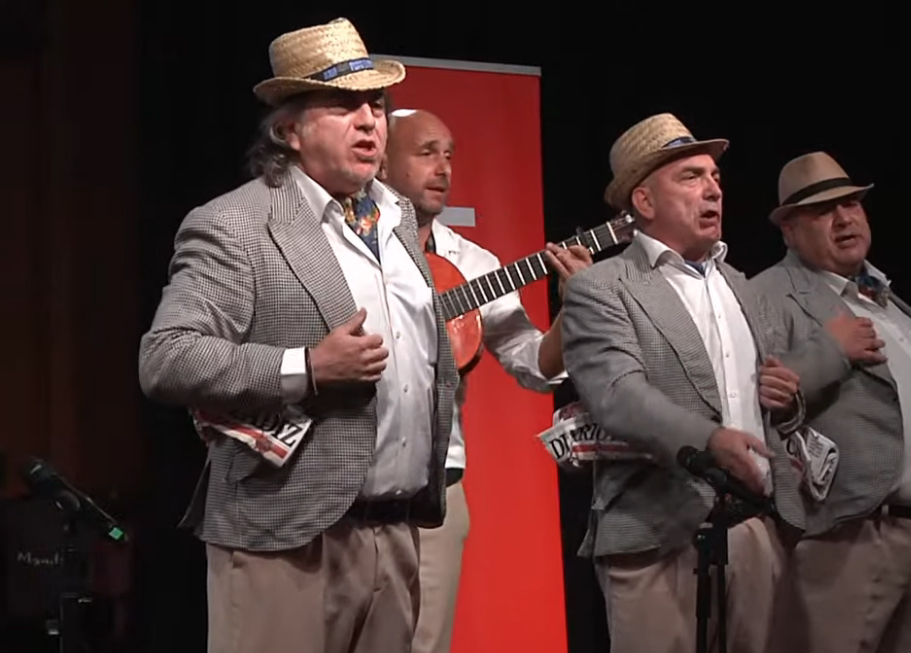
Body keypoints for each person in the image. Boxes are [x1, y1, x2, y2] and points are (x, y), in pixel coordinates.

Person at [137, 18, 459, 653]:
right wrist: (305, 367)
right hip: (285, 538)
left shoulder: (397, 218)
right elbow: (167, 357)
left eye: (376, 106)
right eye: (342, 107)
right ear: (289, 131)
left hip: (396, 533)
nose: (368, 123)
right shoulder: (237, 223)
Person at [560, 113, 809, 653]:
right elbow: (616, 396)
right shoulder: (603, 287)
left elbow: (769, 402)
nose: (713, 188)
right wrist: (709, 440)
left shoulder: (743, 286)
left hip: (754, 531)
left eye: (715, 176)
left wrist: (787, 405)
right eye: (691, 177)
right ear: (644, 201)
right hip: (656, 536)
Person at [378, 107, 592, 653]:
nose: (444, 167)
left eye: (449, 154)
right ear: (382, 161)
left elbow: (535, 366)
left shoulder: (473, 263)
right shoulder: (341, 249)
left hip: (436, 487)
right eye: (426, 152)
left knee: (424, 644)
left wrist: (574, 309)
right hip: (344, 482)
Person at [751, 151, 911, 653]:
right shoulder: (768, 294)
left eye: (850, 203)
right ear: (789, 230)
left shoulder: (884, 295)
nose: (843, 218)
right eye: (822, 210)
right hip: (851, 535)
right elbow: (755, 395)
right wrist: (830, 352)